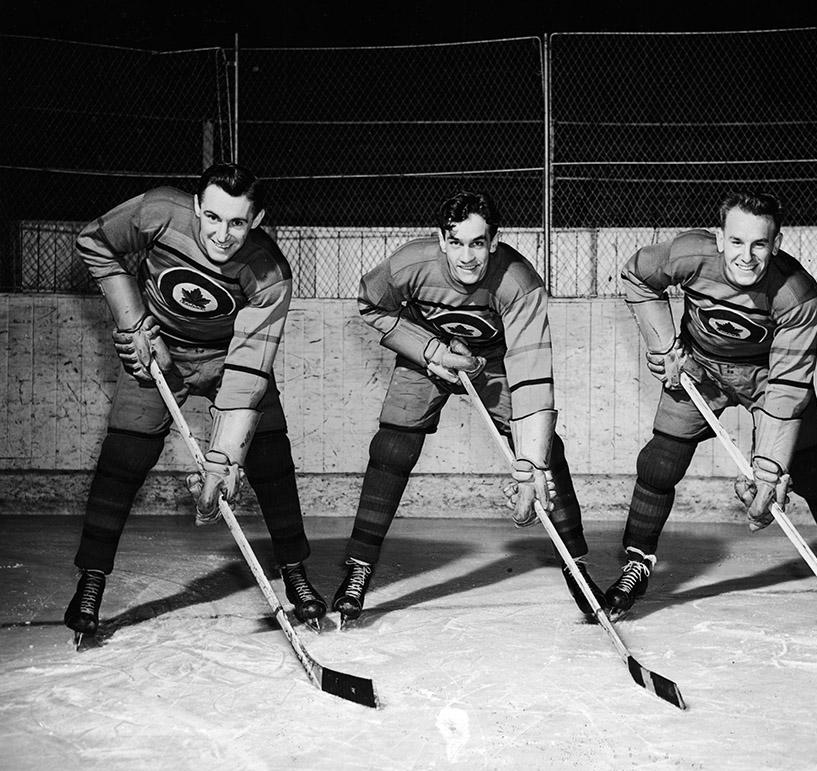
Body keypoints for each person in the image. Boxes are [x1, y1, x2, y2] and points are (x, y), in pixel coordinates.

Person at [64, 162, 326, 641]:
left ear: (258, 219)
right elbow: (95, 242)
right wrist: (133, 322)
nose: (222, 235)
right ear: (196, 206)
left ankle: (294, 572)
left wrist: (223, 462)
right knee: (121, 466)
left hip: (230, 359)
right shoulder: (159, 211)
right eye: (212, 218)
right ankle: (92, 581)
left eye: (238, 223)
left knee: (270, 459)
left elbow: (249, 371)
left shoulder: (270, 274)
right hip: (160, 349)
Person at [607, 190, 817, 632]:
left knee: (814, 472)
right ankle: (637, 564)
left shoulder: (798, 295)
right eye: (737, 241)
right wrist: (665, 345)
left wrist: (769, 471)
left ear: (776, 244)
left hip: (768, 380)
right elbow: (637, 278)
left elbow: (789, 384)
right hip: (700, 371)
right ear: (720, 238)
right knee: (658, 465)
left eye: (759, 244)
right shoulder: (689, 254)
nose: (747, 256)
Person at [332, 190, 605, 622]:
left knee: (548, 454)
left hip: (494, 363)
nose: (467, 256)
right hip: (429, 357)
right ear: (442, 240)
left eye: (477, 243)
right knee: (391, 448)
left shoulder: (518, 282)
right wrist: (429, 349)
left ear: (494, 242)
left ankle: (577, 570)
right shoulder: (410, 264)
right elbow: (371, 304)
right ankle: (358, 568)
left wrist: (531, 462)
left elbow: (531, 369)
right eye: (456, 242)